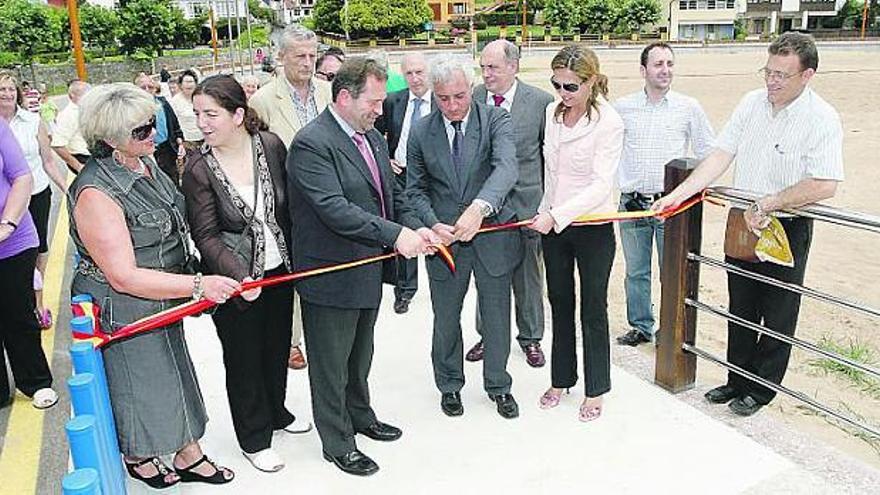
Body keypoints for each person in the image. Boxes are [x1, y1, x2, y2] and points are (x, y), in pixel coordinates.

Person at [653, 32, 844, 416]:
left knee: (778, 310)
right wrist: (679, 194)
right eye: (768, 71)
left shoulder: (821, 117)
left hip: (786, 225)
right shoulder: (750, 104)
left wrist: (772, 202)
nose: (772, 81)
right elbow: (721, 154)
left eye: (782, 75)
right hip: (742, 219)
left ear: (807, 76)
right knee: (740, 304)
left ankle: (760, 390)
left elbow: (825, 184)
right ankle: (735, 379)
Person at [69, 83, 237, 488]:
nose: (154, 135)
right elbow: (123, 275)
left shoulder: (144, 163)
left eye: (153, 124)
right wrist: (199, 284)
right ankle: (142, 454)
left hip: (164, 293)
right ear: (110, 140)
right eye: (141, 132)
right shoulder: (97, 192)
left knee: (173, 371)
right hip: (126, 305)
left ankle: (185, 449)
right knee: (140, 382)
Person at [287, 57, 433, 476]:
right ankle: (337, 441)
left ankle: (361, 417)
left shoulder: (370, 137)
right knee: (330, 364)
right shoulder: (312, 143)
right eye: (373, 101)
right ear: (345, 96)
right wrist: (395, 235)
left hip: (367, 269)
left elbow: (391, 195)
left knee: (359, 356)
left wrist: (423, 226)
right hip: (331, 274)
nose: (380, 109)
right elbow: (335, 209)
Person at [183, 75, 311, 473]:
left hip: (279, 271)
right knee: (243, 359)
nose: (203, 123)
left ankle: (277, 413)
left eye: (211, 114)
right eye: (198, 114)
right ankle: (253, 437)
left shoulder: (270, 146)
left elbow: (290, 208)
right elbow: (204, 235)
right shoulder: (198, 168)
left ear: (239, 115)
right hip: (233, 281)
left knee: (276, 347)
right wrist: (241, 276)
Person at [405, 54, 521, 420]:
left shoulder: (495, 119)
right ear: (433, 94)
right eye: (443, 98)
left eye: (459, 96)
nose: (452, 106)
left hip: (492, 236)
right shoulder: (421, 131)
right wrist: (431, 223)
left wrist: (480, 207)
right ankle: (449, 384)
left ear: (471, 88)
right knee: (446, 317)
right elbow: (414, 189)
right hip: (445, 243)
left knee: (497, 315)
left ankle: (499, 385)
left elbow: (506, 168)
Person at [529, 45, 623, 422]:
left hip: (593, 226)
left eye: (570, 86)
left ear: (591, 82)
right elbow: (551, 173)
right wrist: (544, 214)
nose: (562, 94)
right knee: (559, 302)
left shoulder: (609, 121)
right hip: (553, 226)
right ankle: (561, 378)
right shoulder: (552, 114)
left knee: (593, 307)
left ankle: (596, 387)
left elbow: (601, 185)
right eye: (556, 85)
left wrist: (557, 215)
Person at [614, 42, 715, 347]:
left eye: (670, 63)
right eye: (658, 64)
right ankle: (641, 326)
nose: (665, 70)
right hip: (632, 204)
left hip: (671, 206)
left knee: (671, 272)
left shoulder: (689, 107)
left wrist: (693, 189)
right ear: (643, 70)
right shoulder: (622, 108)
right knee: (636, 271)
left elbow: (709, 153)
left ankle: (669, 330)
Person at [467, 39, 554, 368]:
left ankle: (530, 338)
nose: (486, 74)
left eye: (493, 68)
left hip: (527, 206)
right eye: (483, 67)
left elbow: (550, 158)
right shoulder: (472, 98)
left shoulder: (541, 103)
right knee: (487, 274)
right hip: (485, 208)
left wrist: (546, 205)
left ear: (513, 67)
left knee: (529, 276)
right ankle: (488, 334)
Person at [250, 24, 332, 370]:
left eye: (313, 55)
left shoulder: (330, 92)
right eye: (300, 56)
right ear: (280, 57)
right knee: (292, 272)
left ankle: (325, 334)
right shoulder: (262, 101)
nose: (308, 62)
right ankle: (291, 341)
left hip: (330, 198)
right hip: (286, 203)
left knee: (328, 270)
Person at [0, 71, 66, 330]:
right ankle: (25, 303)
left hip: (36, 194)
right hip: (6, 203)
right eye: (1, 89)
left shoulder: (31, 121)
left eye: (10, 89)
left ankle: (38, 303)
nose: (6, 94)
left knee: (37, 252)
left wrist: (67, 188)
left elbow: (48, 160)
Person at [0, 117, 57, 411]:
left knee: (17, 312)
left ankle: (35, 382)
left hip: (10, 240)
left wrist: (7, 223)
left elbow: (22, 176)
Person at [375, 52, 432, 315]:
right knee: (405, 230)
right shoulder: (393, 101)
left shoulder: (442, 102)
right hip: (401, 175)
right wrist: (385, 158)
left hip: (433, 179)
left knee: (433, 229)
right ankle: (405, 290)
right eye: (409, 73)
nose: (415, 78)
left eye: (419, 72)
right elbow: (374, 131)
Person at [134, 74, 186, 186]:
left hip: (167, 149)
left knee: (173, 182)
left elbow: (174, 124)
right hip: (147, 152)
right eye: (143, 88)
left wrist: (180, 142)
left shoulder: (163, 103)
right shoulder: (133, 110)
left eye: (150, 87)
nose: (147, 90)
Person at [51, 80, 91, 174]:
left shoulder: (87, 109)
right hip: (82, 158)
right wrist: (78, 166)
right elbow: (57, 145)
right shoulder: (68, 115)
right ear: (72, 96)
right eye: (84, 94)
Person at [170, 70, 204, 148]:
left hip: (204, 138)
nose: (189, 84)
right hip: (187, 141)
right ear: (181, 85)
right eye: (186, 82)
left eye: (191, 81)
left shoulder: (201, 98)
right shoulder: (175, 101)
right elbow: (173, 123)